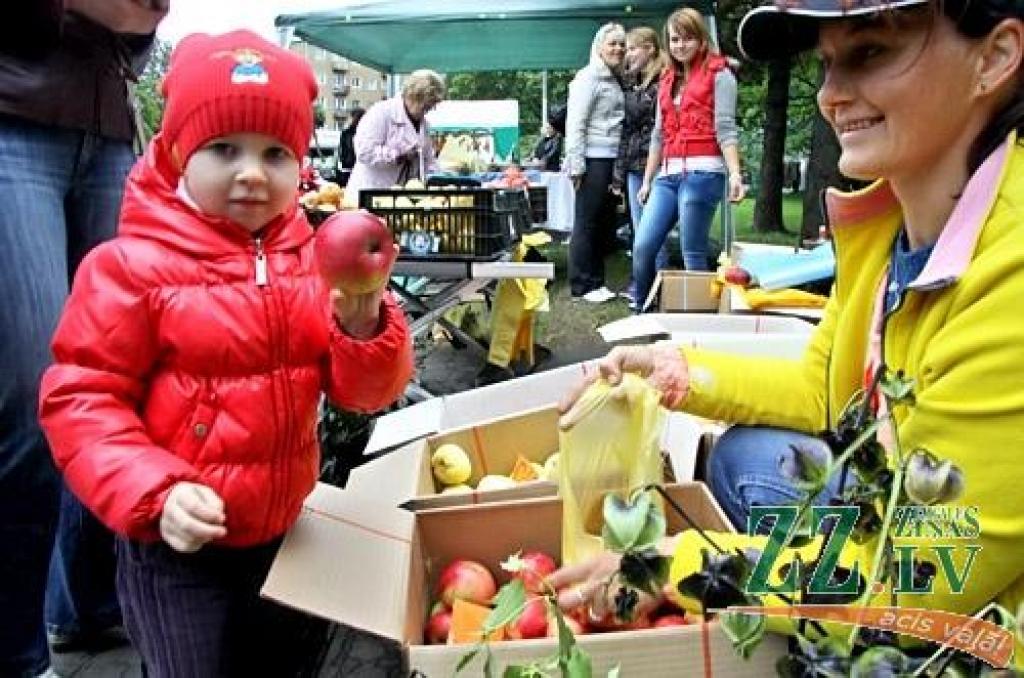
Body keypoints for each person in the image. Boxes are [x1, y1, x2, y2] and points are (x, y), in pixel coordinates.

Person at [551, 0, 1024, 664]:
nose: (831, 94)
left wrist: (675, 566)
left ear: (995, 58)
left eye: (871, 51)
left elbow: (914, 591)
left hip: (975, 622)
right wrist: (672, 369)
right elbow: (823, 386)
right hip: (894, 513)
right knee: (741, 457)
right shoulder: (896, 219)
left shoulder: (1012, 279)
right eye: (828, 62)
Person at [37, 30, 414, 676]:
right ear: (179, 151)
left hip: (288, 531)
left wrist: (363, 326)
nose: (250, 171)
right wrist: (154, 492)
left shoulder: (313, 264)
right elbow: (81, 400)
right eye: (223, 148)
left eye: (275, 153)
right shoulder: (130, 269)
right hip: (180, 547)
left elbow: (363, 395)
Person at [0, 1, 168, 675]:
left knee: (119, 383)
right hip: (12, 120)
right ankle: (15, 653)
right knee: (31, 397)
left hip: (107, 133)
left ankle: (86, 603)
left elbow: (142, 23)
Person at [631, 8, 746, 311]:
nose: (680, 45)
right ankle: (642, 308)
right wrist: (647, 181)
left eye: (686, 39)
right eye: (674, 40)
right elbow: (658, 134)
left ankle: (701, 315)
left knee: (691, 249)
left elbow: (726, 128)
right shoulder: (667, 78)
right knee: (643, 245)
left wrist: (735, 174)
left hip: (704, 172)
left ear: (700, 38)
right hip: (667, 176)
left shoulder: (720, 74)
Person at [565, 22, 626, 303]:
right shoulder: (588, 78)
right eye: (612, 43)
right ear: (599, 47)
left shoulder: (615, 79)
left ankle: (596, 280)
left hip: (611, 157)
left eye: (622, 44)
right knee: (586, 221)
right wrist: (576, 165)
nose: (618, 49)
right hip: (592, 157)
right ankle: (582, 284)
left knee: (603, 222)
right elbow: (575, 123)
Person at [613, 26, 668, 310]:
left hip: (654, 162)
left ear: (650, 49)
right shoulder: (636, 81)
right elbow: (628, 131)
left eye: (633, 48)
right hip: (636, 164)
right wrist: (619, 173)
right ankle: (646, 287)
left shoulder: (663, 81)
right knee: (641, 231)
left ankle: (657, 290)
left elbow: (648, 128)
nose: (628, 54)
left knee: (650, 232)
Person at [346, 70, 445, 206]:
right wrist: (398, 155)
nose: (430, 109)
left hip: (402, 201)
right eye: (427, 105)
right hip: (370, 194)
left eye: (432, 105)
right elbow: (364, 152)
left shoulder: (424, 125)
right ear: (414, 96)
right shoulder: (381, 113)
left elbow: (429, 161)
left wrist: (441, 180)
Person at [337, 106, 365, 185]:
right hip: (349, 169)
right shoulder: (346, 133)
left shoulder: (349, 133)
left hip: (354, 169)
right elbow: (344, 151)